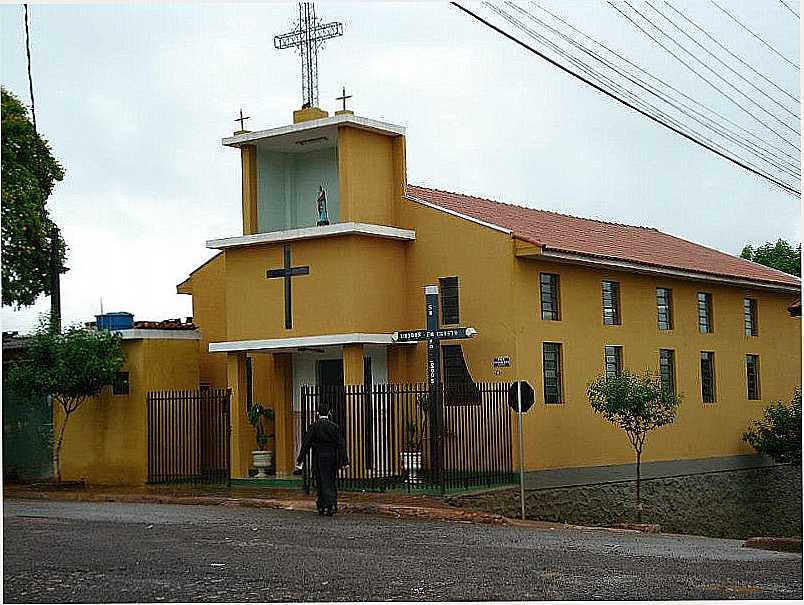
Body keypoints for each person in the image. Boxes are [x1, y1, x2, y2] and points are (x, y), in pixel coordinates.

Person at [296, 403, 349, 516]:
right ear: (329, 412)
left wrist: (300, 459)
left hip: (319, 457)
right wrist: (345, 461)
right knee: (330, 481)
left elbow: (306, 444)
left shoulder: (313, 427)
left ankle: (322, 505)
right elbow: (341, 445)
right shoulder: (334, 427)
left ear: (317, 413)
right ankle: (332, 504)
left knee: (320, 481)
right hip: (332, 457)